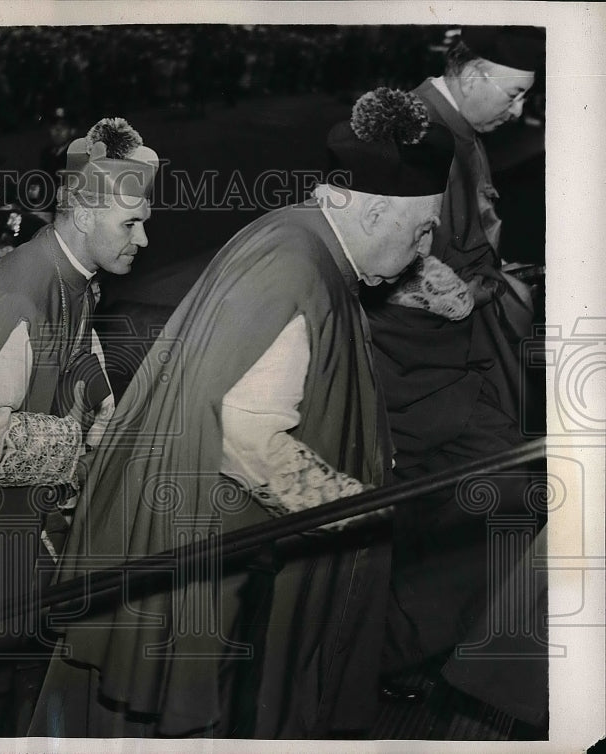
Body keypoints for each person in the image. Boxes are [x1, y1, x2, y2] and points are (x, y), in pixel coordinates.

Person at [28, 89, 454, 738]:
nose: (424, 249)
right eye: (423, 229)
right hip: (210, 561)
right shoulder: (294, 269)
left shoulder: (297, 234)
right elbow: (245, 436)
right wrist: (357, 505)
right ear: (372, 212)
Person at [0, 118, 158, 736]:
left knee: (5, 686)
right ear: (82, 214)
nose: (144, 239)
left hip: (14, 528)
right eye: (131, 223)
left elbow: (76, 348)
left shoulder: (68, 271)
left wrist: (106, 406)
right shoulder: (18, 299)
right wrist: (84, 447)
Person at [361, 27, 547, 701]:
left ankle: (399, 655)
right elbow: (394, 267)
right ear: (468, 72)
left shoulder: (448, 126)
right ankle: (394, 659)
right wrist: (487, 289)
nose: (521, 110)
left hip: (445, 366)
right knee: (482, 502)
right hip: (424, 369)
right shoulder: (423, 136)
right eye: (515, 90)